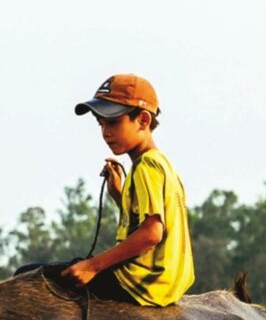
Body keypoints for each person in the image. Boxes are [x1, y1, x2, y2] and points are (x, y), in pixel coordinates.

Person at [61, 74, 195, 307]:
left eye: (113, 122)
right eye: (101, 123)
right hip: (165, 281)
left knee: (31, 275)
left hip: (140, 279)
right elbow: (150, 223)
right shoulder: (161, 163)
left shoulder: (146, 166)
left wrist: (92, 266)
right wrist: (119, 195)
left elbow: (152, 234)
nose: (105, 132)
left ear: (143, 120)